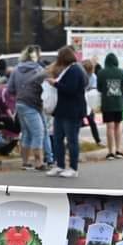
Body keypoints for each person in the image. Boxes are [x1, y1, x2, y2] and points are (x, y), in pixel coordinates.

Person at [46, 46, 88, 178]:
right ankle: (60, 165)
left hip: (72, 111)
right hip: (62, 110)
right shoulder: (68, 70)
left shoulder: (74, 70)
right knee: (58, 138)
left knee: (71, 140)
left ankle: (73, 168)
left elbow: (71, 89)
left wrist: (55, 84)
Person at [7, 46, 47, 171]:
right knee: (38, 132)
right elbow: (44, 88)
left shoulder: (16, 70)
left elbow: (10, 89)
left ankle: (25, 162)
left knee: (26, 133)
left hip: (20, 103)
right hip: (33, 103)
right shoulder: (39, 70)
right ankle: (38, 162)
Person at [96, 52, 123, 159]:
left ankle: (110, 152)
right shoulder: (122, 72)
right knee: (118, 126)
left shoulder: (101, 72)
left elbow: (99, 88)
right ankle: (118, 150)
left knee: (110, 127)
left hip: (107, 103)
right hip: (119, 103)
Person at [80, 59, 102, 145]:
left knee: (92, 121)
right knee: (77, 122)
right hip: (81, 100)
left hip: (89, 101)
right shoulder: (80, 75)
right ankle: (72, 140)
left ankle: (98, 140)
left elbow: (94, 89)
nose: (88, 73)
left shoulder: (93, 76)